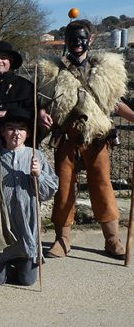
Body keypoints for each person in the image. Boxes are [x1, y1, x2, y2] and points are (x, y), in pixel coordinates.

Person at [38, 19, 132, 259]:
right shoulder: (54, 72)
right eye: (73, 39)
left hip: (98, 139)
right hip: (67, 139)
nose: (77, 43)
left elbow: (115, 103)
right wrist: (41, 113)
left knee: (102, 186)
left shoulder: (104, 70)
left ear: (89, 39)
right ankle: (62, 239)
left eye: (82, 38)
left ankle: (112, 240)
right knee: (64, 188)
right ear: (67, 42)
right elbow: (44, 102)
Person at [0, 108, 58, 286]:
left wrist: (39, 175)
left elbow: (48, 191)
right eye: (11, 128)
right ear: (3, 132)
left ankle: (21, 262)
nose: (16, 133)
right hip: (1, 224)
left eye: (21, 129)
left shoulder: (36, 156)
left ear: (28, 133)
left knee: (28, 281)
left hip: (25, 225)